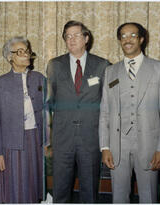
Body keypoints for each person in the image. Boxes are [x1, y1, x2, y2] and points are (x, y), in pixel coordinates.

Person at [99, 22, 160, 203]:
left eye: (132, 35)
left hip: (149, 146)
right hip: (117, 147)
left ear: (142, 39)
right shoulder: (110, 71)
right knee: (119, 198)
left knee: (149, 197)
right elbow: (105, 112)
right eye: (123, 36)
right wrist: (105, 147)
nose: (127, 40)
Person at [46, 20, 110, 203]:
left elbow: (107, 104)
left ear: (86, 38)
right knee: (60, 188)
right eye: (68, 36)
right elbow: (49, 103)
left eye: (76, 35)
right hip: (62, 138)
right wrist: (48, 137)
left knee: (89, 189)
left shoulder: (102, 65)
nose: (71, 39)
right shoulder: (55, 65)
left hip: (90, 137)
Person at [0, 36, 48, 203]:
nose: (26, 55)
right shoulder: (0, 83)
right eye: (20, 52)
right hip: (11, 143)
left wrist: (48, 142)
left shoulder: (39, 78)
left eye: (27, 51)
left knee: (33, 183)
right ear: (10, 57)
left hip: (35, 139)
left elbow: (48, 112)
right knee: (14, 185)